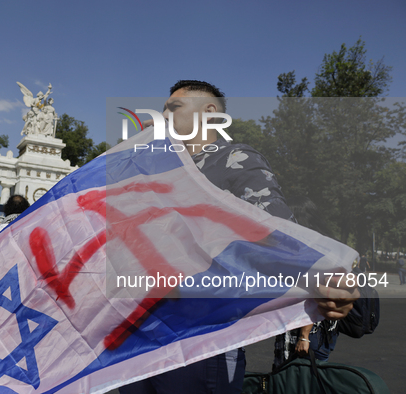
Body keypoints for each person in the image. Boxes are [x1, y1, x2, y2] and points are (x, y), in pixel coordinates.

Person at [119, 80, 356, 394]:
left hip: (201, 343)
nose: (162, 115)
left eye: (173, 108)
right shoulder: (157, 169)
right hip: (141, 338)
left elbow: (277, 231)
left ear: (209, 112)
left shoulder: (233, 159)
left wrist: (326, 279)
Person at [273, 196, 339, 369]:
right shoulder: (327, 247)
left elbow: (314, 293)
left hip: (307, 331)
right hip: (323, 331)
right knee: (309, 378)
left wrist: (304, 335)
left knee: (294, 378)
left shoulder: (309, 251)